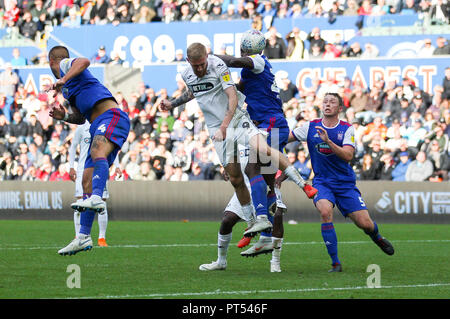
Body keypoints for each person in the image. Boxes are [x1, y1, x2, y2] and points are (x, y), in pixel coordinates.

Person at [159, 42, 316, 241]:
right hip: (216, 129)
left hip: (236, 120)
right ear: (189, 62)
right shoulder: (186, 73)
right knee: (235, 178)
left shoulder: (219, 65)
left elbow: (232, 97)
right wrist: (172, 103)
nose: (200, 69)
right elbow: (193, 92)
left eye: (202, 64)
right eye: (196, 65)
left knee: (261, 153)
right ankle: (254, 221)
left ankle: (302, 185)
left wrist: (225, 125)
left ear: (207, 58)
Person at [214, 29, 312, 255]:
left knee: (252, 167)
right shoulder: (255, 72)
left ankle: (260, 217)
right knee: (267, 180)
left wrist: (213, 59)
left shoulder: (258, 61)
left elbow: (236, 61)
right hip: (274, 123)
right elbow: (238, 90)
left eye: (244, 49)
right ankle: (267, 237)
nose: (243, 52)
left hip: (269, 123)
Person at [277, 92, 395, 272]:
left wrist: (328, 141)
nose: (327, 104)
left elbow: (348, 155)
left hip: (345, 184)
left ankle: (377, 237)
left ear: (340, 108)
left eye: (332, 102)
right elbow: (282, 139)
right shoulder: (310, 127)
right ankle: (335, 263)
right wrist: (263, 138)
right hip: (322, 182)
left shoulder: (347, 129)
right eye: (325, 101)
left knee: (365, 224)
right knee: (325, 211)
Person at [46, 45, 131, 256]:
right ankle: (83, 237)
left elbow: (84, 60)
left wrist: (63, 79)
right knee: (86, 179)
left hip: (112, 116)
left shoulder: (66, 66)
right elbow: (81, 117)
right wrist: (64, 116)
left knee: (96, 151)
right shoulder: (68, 90)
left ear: (51, 63)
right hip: (96, 123)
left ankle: (97, 198)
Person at [199, 144, 287, 272]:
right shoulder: (237, 139)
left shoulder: (266, 137)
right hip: (244, 190)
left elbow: (287, 165)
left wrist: (280, 179)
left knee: (277, 218)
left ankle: (275, 262)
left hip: (266, 188)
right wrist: (228, 170)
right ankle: (221, 261)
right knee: (227, 220)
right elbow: (232, 161)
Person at [69, 121, 122, 247]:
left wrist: (118, 165)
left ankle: (101, 238)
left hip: (99, 168)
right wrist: (71, 167)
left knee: (101, 203)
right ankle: (78, 236)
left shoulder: (103, 126)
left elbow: (111, 147)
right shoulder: (81, 128)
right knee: (80, 203)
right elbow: (73, 146)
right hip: (82, 170)